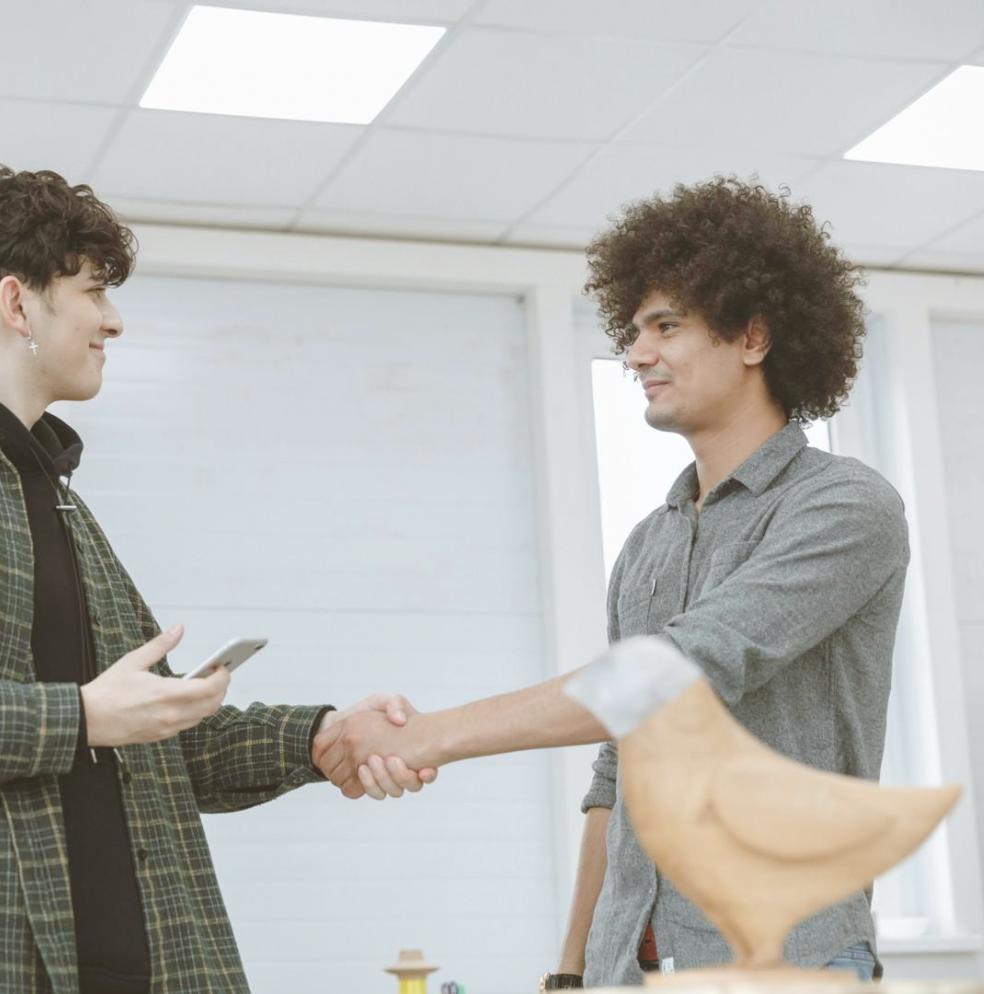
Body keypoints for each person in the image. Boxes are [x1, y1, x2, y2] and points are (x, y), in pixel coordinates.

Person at [0, 166, 433, 994]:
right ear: (18, 304)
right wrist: (76, 715)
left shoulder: (54, 503)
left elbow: (147, 733)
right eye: (91, 290)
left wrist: (318, 736)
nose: (113, 319)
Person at [313, 177, 908, 985]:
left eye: (666, 326)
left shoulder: (846, 507)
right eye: (633, 330)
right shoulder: (648, 546)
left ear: (754, 337)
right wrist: (572, 969)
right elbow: (618, 770)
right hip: (633, 965)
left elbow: (673, 675)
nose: (636, 353)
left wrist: (429, 735)